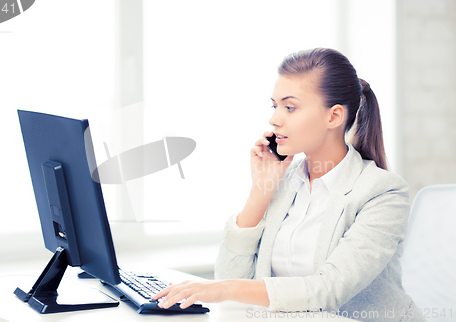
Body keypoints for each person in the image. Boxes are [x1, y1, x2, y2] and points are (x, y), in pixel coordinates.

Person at [152, 48, 425, 322]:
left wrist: (219, 289)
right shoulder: (285, 181)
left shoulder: (383, 193)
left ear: (333, 117)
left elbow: (328, 290)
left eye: (290, 107)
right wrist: (261, 191)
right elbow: (230, 278)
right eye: (275, 106)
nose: (274, 119)